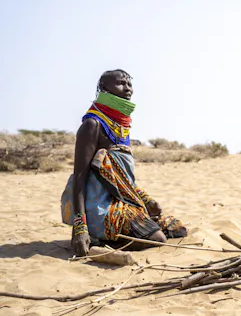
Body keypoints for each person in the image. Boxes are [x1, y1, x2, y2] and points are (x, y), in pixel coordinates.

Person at [61, 70, 187, 257]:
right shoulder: (92, 125)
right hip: (99, 207)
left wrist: (146, 200)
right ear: (104, 88)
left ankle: (114, 233)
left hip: (121, 199)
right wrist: (80, 228)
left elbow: (124, 179)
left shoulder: (120, 126)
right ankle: (98, 238)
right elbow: (80, 177)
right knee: (157, 238)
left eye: (129, 84)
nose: (128, 88)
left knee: (177, 229)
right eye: (121, 83)